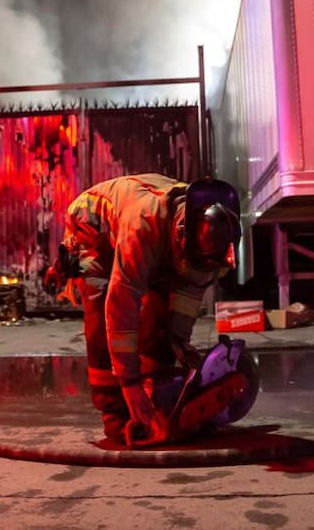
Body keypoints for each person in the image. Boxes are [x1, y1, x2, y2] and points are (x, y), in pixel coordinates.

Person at [47, 173, 242, 447]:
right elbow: (121, 302)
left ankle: (154, 400)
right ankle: (115, 414)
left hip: (151, 233)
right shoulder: (144, 226)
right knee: (102, 313)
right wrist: (129, 383)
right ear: (182, 233)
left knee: (159, 319)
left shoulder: (213, 240)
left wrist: (176, 341)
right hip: (94, 230)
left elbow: (187, 295)